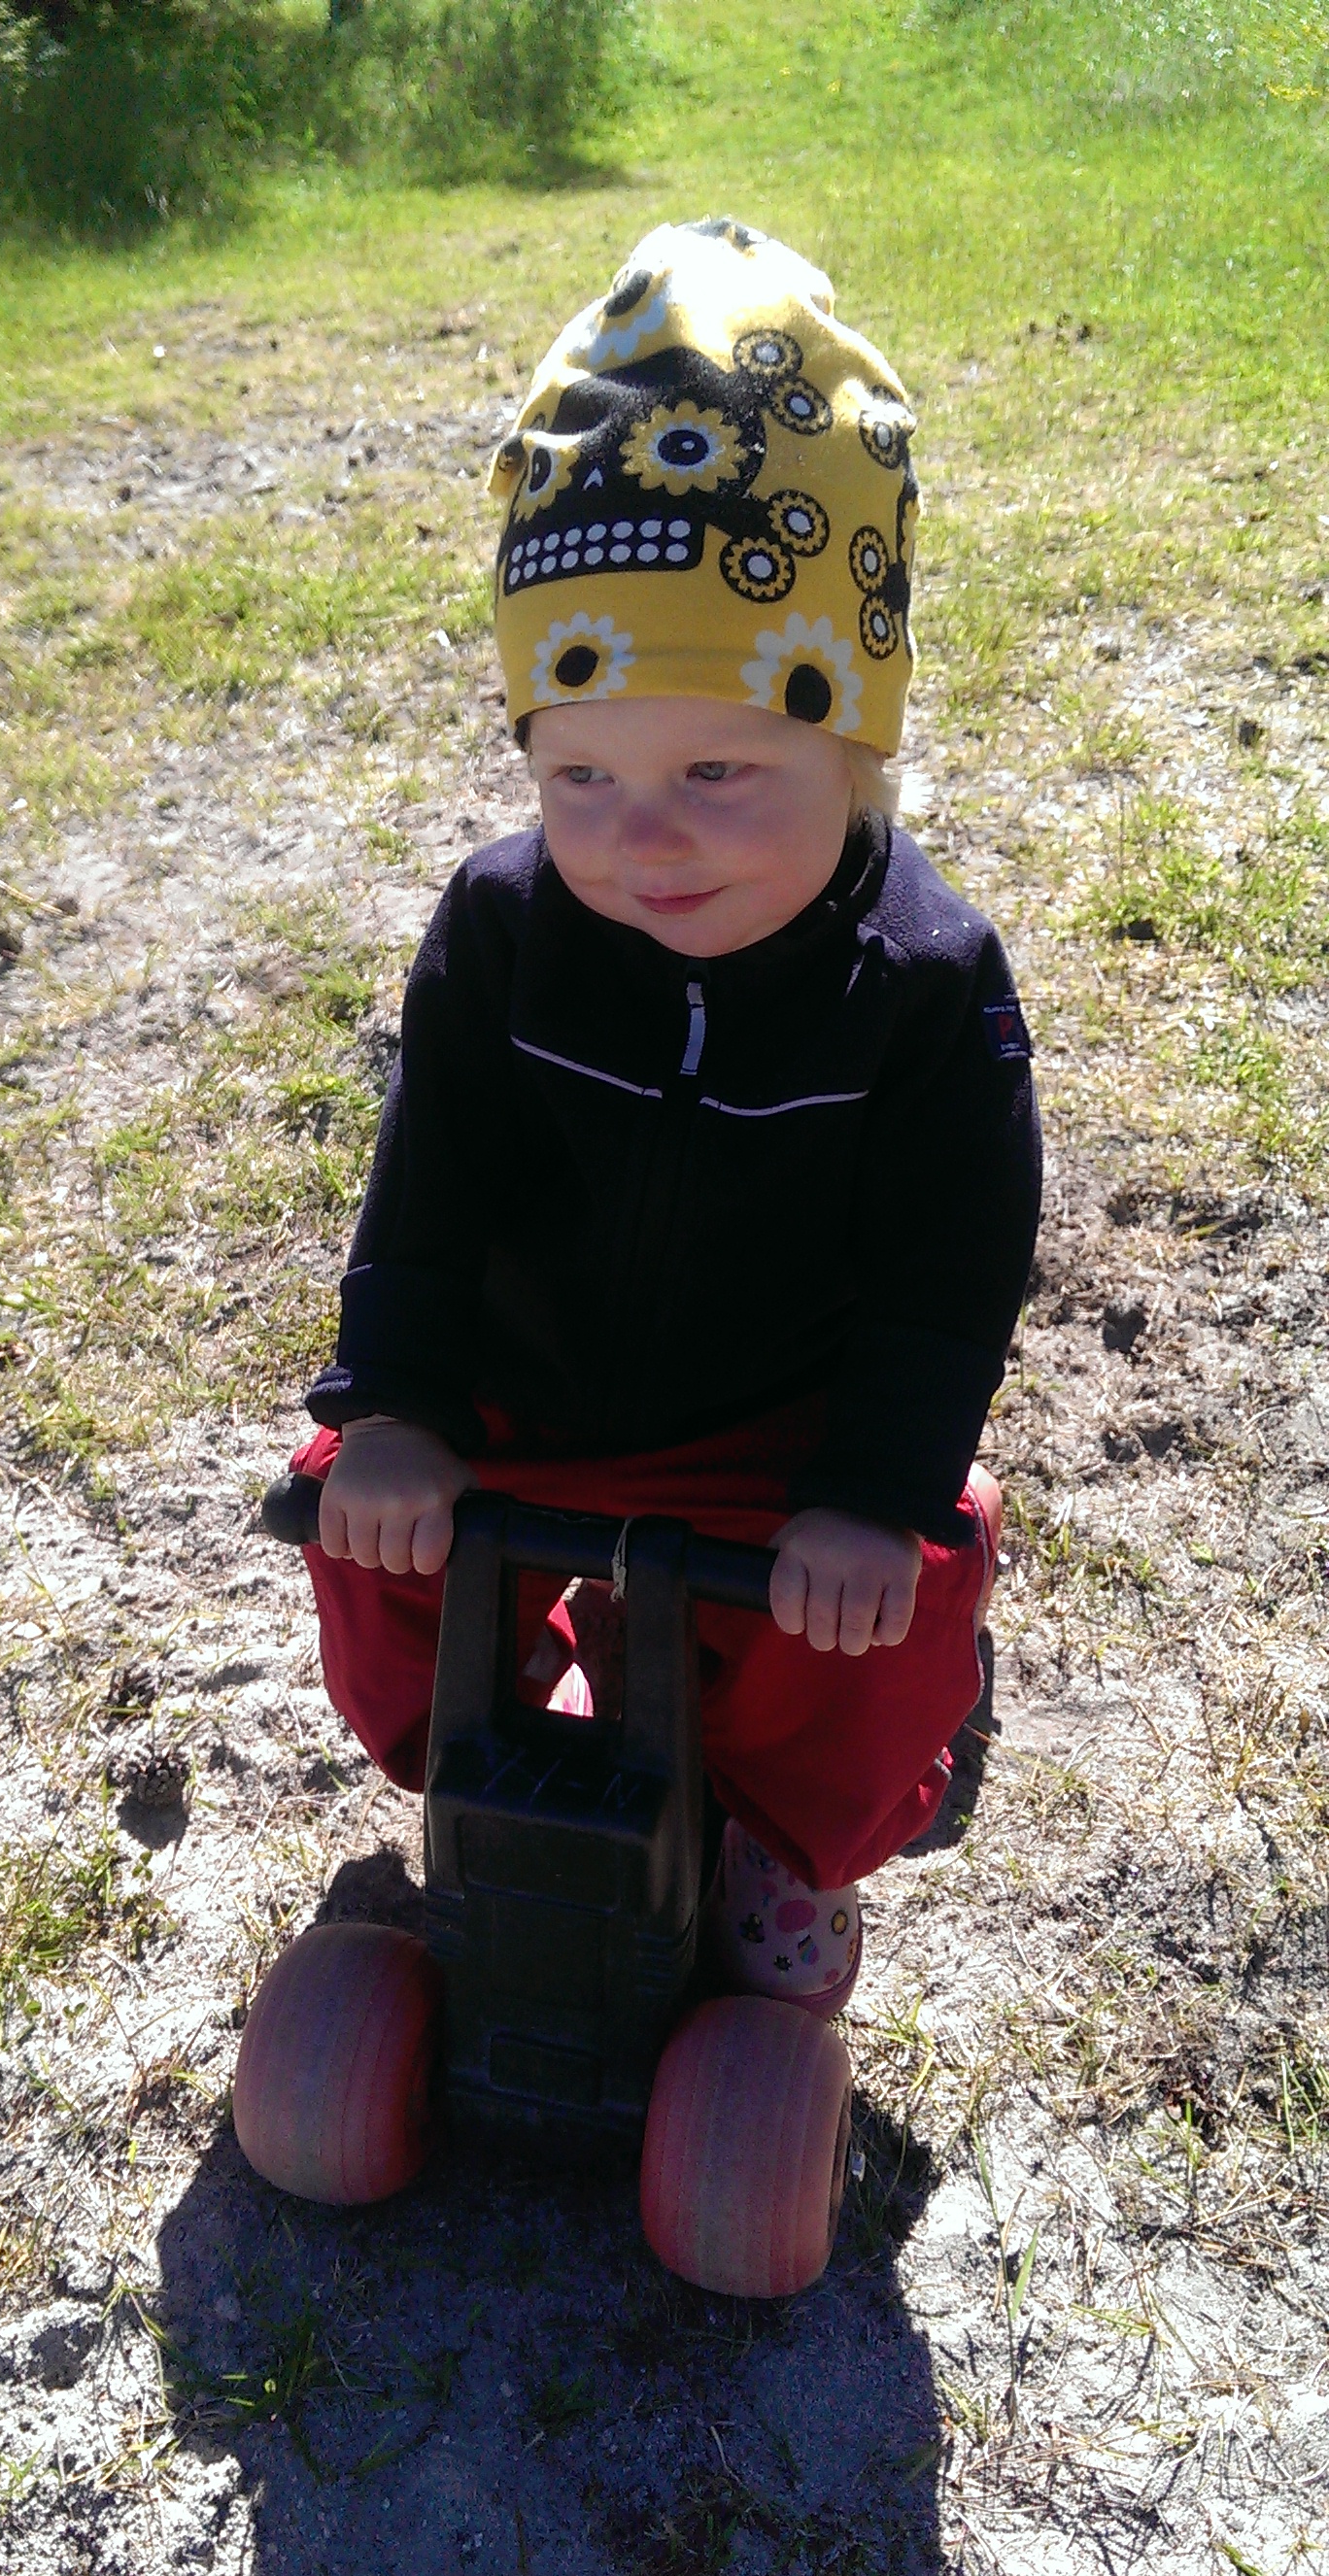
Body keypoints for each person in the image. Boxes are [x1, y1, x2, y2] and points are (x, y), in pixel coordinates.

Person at [290, 218, 1041, 2015]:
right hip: (520, 1410)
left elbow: (948, 1272)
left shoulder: (924, 981)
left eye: (720, 768)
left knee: (901, 1582)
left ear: (854, 743)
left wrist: (867, 1492)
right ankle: (482, 1764)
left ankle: (781, 1831)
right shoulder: (503, 927)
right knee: (343, 1508)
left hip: (773, 1445)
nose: (646, 838)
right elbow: (428, 1188)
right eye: (582, 775)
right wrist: (396, 1411)